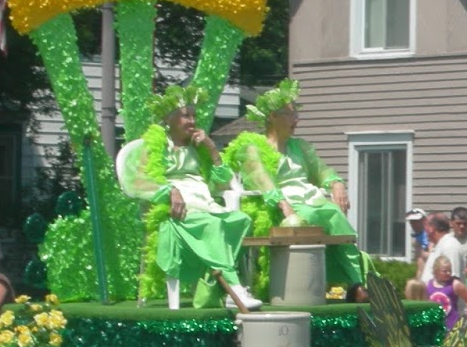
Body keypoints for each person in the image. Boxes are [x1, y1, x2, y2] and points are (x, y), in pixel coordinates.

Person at [120, 85, 261, 310]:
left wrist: (212, 149)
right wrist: (168, 191)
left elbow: (224, 183)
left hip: (205, 204)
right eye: (187, 116)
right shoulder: (155, 144)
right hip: (176, 212)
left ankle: (217, 283)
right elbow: (135, 181)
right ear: (170, 119)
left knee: (241, 220)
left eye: (195, 116)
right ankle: (233, 288)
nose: (193, 121)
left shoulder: (198, 147)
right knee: (213, 226)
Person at [231, 79, 365, 294]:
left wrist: (336, 183)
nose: (297, 119)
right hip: (278, 203)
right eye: (291, 114)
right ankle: (307, 286)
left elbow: (321, 170)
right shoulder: (253, 147)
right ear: (273, 117)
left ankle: (356, 284)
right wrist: (283, 205)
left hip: (311, 199)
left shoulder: (300, 147)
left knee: (337, 218)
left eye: (296, 114)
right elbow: (261, 179)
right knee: (306, 219)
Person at [421, 207, 467, 286]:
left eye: (426, 226)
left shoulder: (450, 246)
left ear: (431, 228)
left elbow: (454, 281)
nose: (424, 230)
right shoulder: (440, 245)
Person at [424, 254, 467, 331]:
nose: (448, 273)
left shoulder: (455, 284)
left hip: (451, 327)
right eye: (445, 271)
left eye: (450, 270)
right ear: (436, 271)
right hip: (433, 326)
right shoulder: (428, 285)